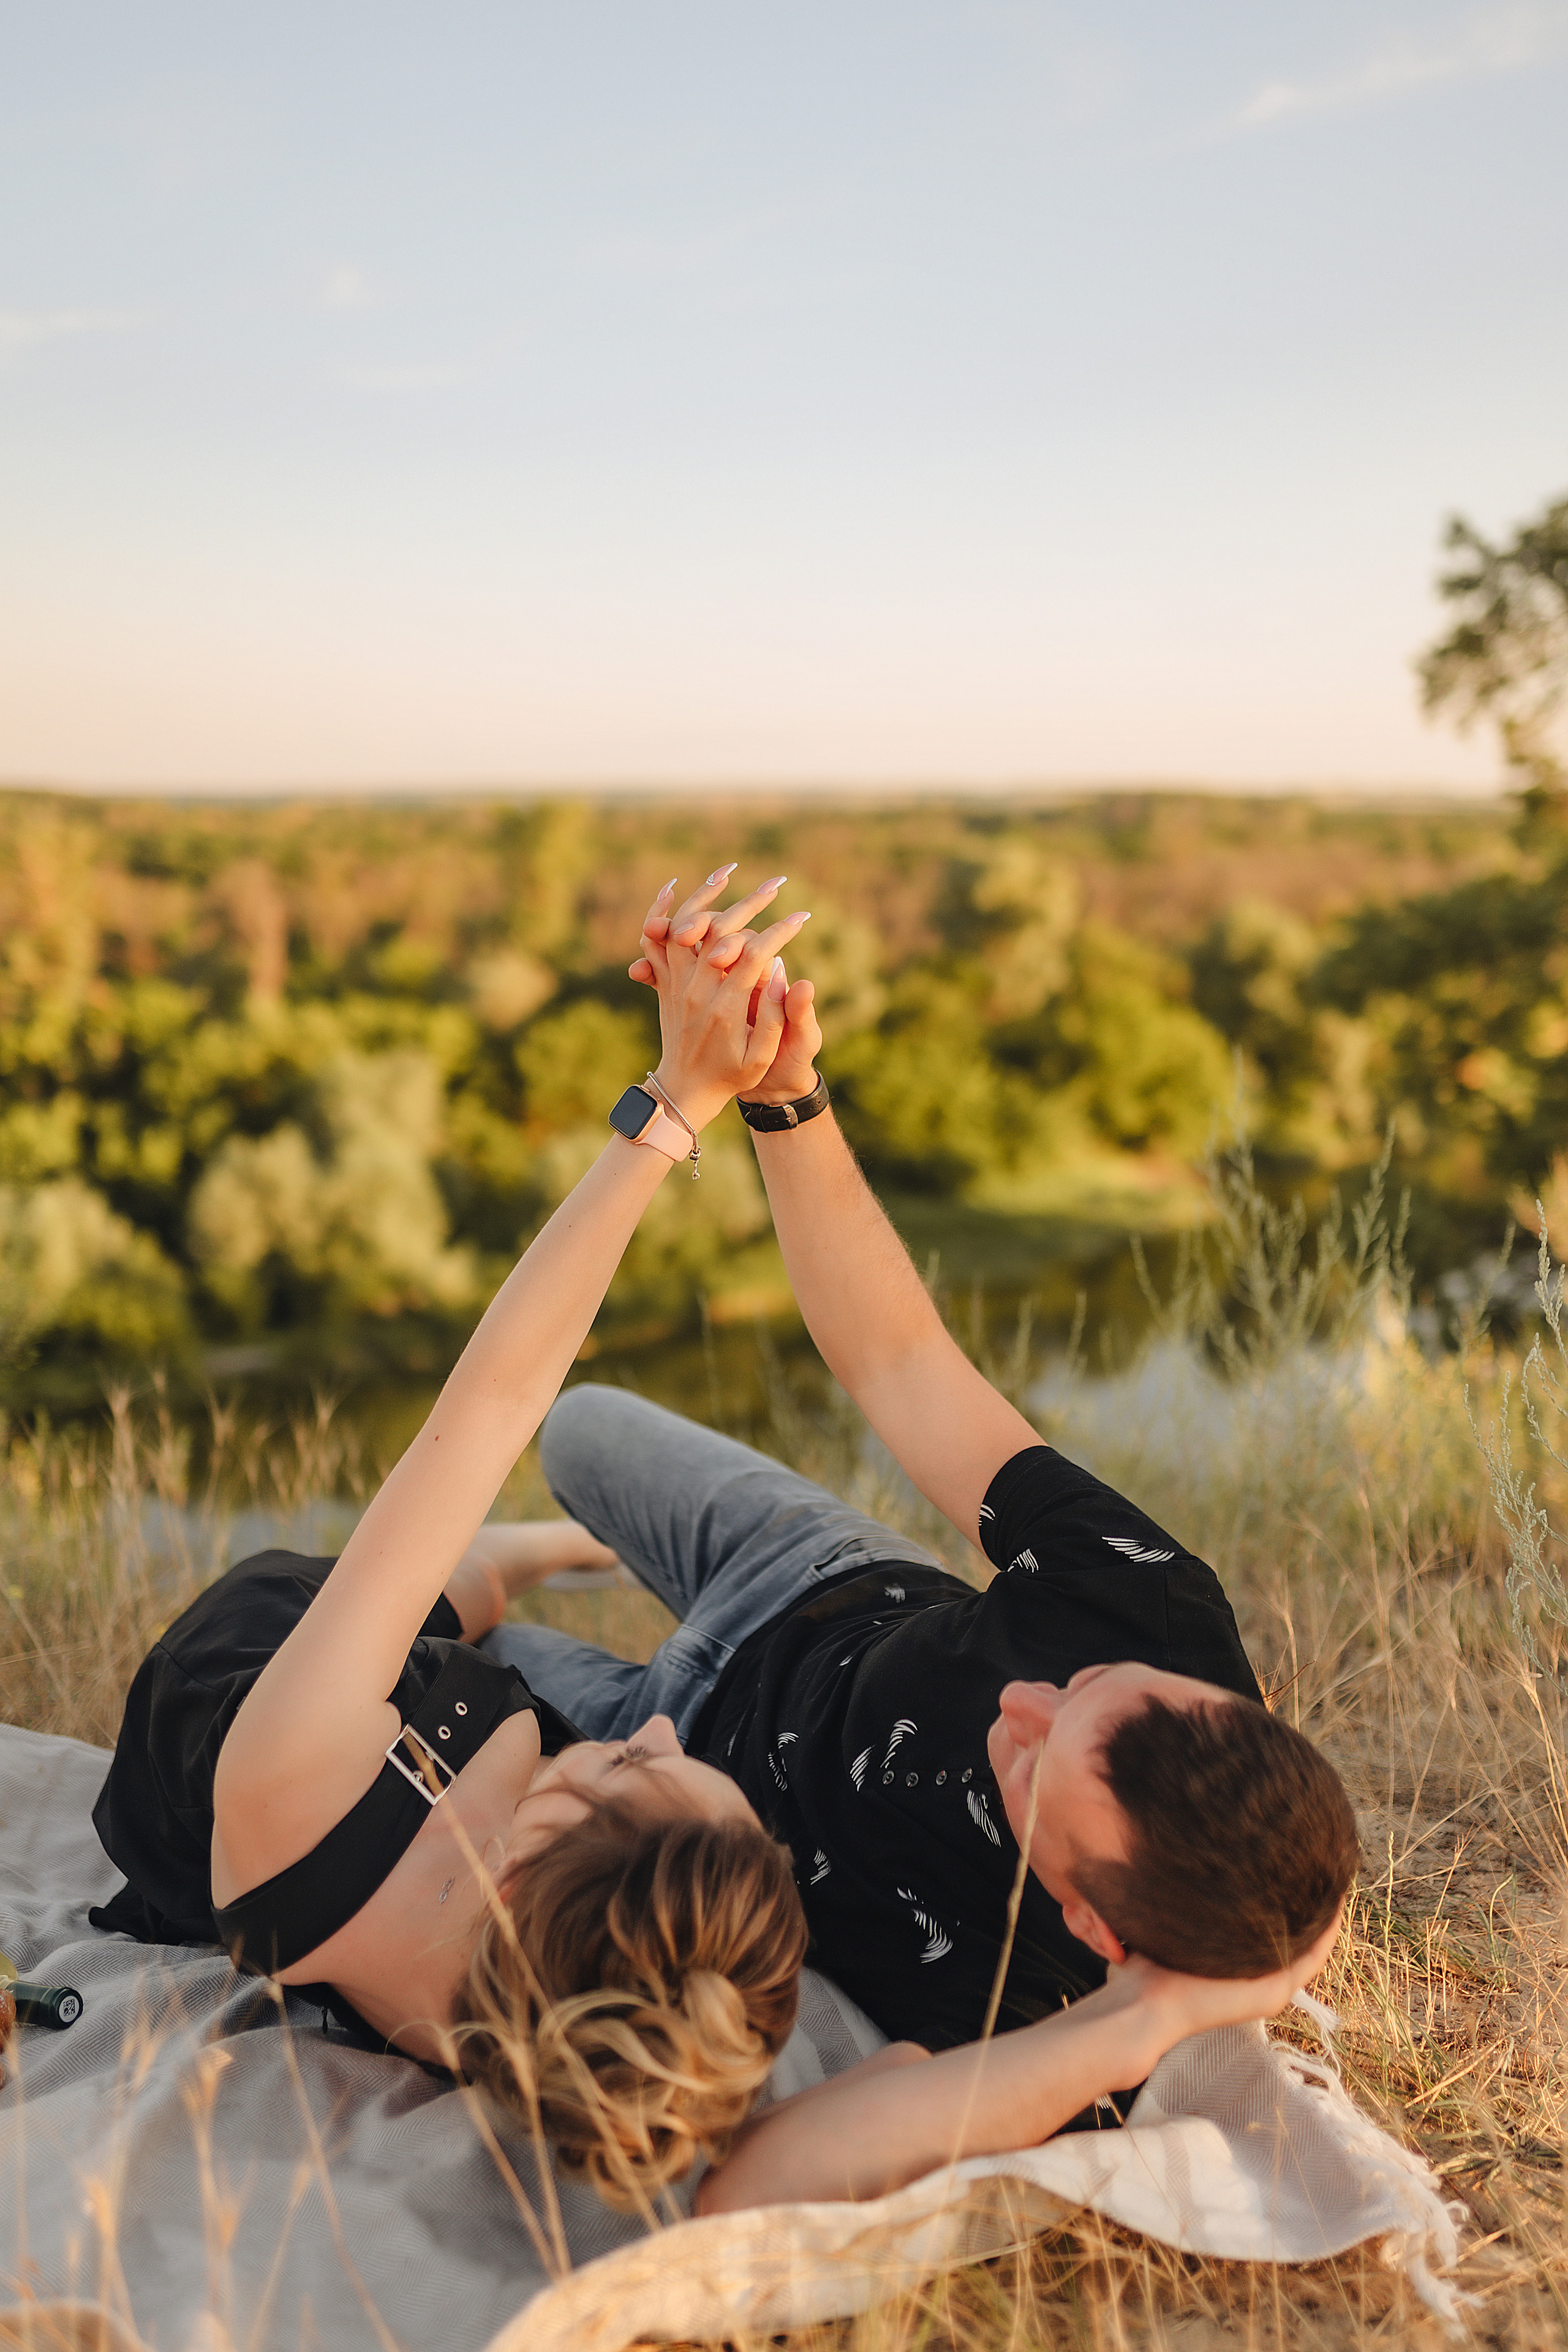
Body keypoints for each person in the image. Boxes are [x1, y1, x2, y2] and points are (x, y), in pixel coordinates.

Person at [473, 873, 1359, 2210]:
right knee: (582, 1427)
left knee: (436, 1664)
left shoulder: (1041, 2011)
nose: (1019, 1701)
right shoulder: (1162, 1611)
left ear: (1093, 1923)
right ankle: (544, 1547)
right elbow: (900, 1363)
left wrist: (1147, 2020)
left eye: (1032, 1760)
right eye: (1080, 1685)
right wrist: (785, 1093)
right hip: (816, 1579)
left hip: (678, 1768)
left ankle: (501, 1585)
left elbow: (749, 2190)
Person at [88, 870, 815, 2207]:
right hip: (413, 1731)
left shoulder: (298, 1783)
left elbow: (488, 1405)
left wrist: (675, 1105)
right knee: (474, 1628)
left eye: (633, 1768)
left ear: (522, 1870)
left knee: (432, 1605)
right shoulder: (597, 2027)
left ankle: (515, 1562)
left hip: (260, 1676)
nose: (661, 1733)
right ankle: (532, 1562)